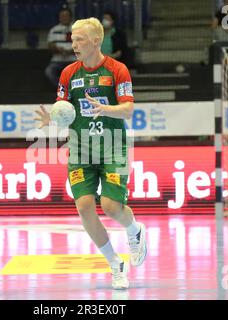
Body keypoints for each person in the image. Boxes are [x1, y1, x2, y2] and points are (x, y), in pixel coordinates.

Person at [35, 18, 147, 290]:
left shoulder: (117, 70)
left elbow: (129, 109)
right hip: (80, 149)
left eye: (80, 39)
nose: (73, 44)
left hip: (112, 147)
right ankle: (115, 264)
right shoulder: (68, 74)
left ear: (96, 40)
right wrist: (53, 118)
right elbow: (64, 110)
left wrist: (105, 109)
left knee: (110, 207)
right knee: (84, 206)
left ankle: (135, 230)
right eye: (72, 39)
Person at [44, 7, 76, 87]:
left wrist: (71, 51)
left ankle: (71, 89)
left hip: (74, 61)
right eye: (62, 16)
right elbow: (50, 45)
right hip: (57, 61)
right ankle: (63, 88)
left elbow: (83, 45)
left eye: (66, 16)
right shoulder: (54, 30)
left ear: (70, 17)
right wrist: (59, 49)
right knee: (49, 72)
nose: (64, 18)